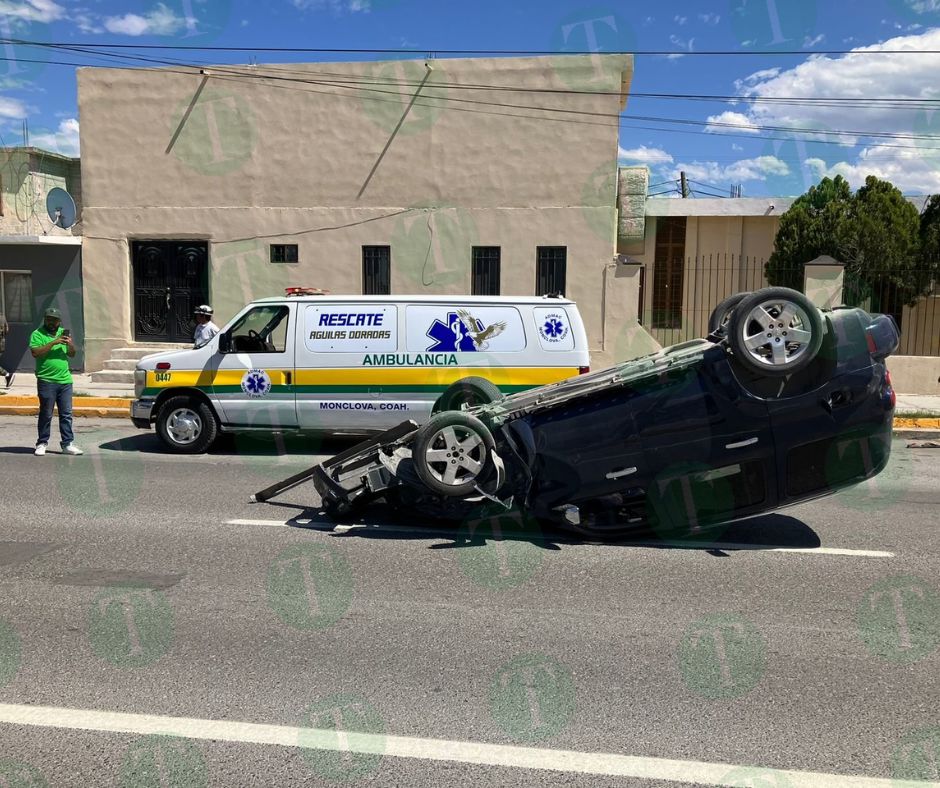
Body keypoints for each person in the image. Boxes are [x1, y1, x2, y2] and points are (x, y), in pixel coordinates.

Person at [29, 306, 82, 456]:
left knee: (66, 414)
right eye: (49, 319)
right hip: (46, 380)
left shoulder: (62, 333)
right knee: (46, 413)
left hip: (65, 380)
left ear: (59, 321)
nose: (52, 322)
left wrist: (70, 344)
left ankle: (67, 444)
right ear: (45, 319)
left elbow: (72, 354)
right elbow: (35, 353)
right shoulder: (37, 334)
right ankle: (42, 443)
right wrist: (54, 342)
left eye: (55, 320)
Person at [0, 310, 13, 387]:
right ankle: (7, 375)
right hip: (1, 343)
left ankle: (7, 374)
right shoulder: (2, 316)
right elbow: (7, 330)